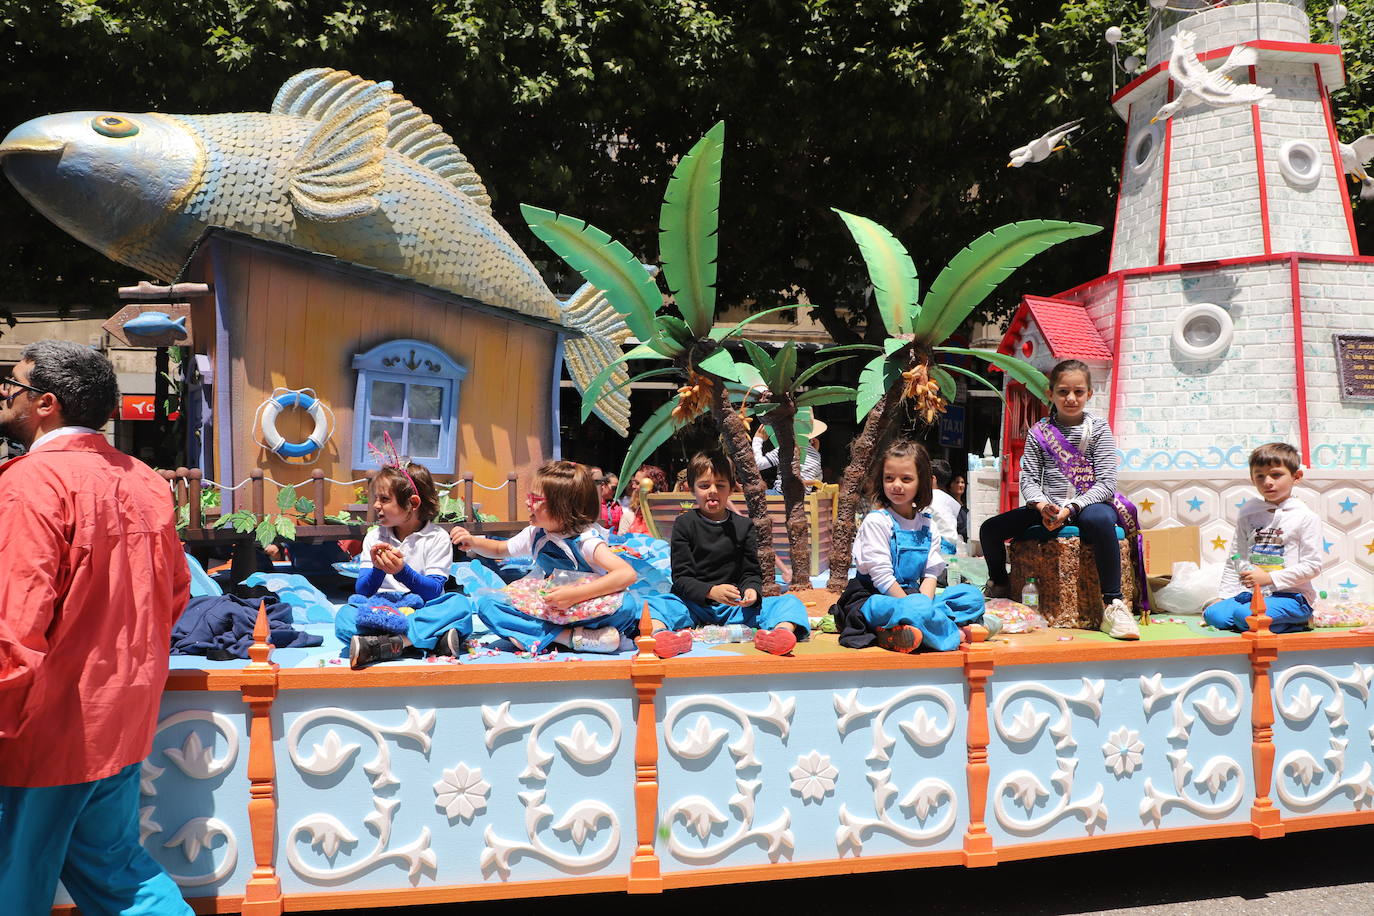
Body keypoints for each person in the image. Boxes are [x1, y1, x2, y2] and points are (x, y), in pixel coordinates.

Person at [0, 341, 193, 914]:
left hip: (43, 727)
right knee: (117, 874)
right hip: (122, 716)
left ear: (46, 404)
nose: (5, 395)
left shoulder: (30, 483)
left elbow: (14, 619)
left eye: (13, 386)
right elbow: (175, 595)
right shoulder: (144, 480)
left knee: (17, 881)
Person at [978, 359, 1141, 641]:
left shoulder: (1099, 430)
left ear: (1090, 394)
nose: (1071, 398)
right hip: (1049, 505)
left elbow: (1106, 483)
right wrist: (1042, 506)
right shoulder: (1039, 432)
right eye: (1063, 391)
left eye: (1078, 392)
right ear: (1051, 393)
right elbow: (1028, 477)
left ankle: (1112, 603)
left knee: (1101, 521)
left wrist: (1072, 507)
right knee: (989, 530)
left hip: (1088, 504)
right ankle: (1001, 584)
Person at [453, 461, 639, 653]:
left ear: (562, 507)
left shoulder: (586, 541)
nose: (527, 503)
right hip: (549, 607)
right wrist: (474, 542)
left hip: (585, 608)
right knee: (488, 605)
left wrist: (575, 595)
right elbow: (500, 549)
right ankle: (569, 638)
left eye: (535, 499)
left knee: (627, 606)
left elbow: (626, 574)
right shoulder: (535, 533)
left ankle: (541, 635)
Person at [645, 451, 809, 658]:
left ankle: (780, 634)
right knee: (655, 605)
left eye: (720, 485)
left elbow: (751, 572)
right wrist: (710, 591)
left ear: (731, 489)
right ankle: (661, 636)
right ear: (691, 488)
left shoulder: (744, 526)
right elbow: (681, 577)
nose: (712, 491)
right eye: (704, 486)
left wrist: (751, 590)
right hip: (693, 605)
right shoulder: (684, 524)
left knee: (789, 602)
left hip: (736, 607)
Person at [834, 439, 986, 653]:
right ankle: (954, 634)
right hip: (874, 599)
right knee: (917, 607)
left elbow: (931, 575)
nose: (896, 485)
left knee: (972, 597)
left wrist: (923, 606)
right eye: (889, 478)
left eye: (906, 479)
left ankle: (908, 629)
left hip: (913, 597)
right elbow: (882, 578)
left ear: (922, 482)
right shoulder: (877, 521)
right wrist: (919, 607)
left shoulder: (928, 525)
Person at [337, 462, 467, 668]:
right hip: (382, 608)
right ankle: (425, 640)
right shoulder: (374, 536)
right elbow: (363, 590)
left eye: (385, 499)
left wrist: (401, 572)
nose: (376, 505)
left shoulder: (437, 537)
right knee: (345, 616)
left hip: (421, 607)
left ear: (413, 503)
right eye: (376, 498)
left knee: (459, 605)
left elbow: (433, 591)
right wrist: (379, 570)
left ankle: (386, 644)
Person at [1203, 443, 1322, 634]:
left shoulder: (1305, 517)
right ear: (1252, 479)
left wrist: (1269, 578)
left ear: (1296, 476)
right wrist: (1225, 596)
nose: (1267, 481)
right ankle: (1254, 622)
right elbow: (1236, 557)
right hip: (1253, 595)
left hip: (1291, 596)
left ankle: (1302, 619)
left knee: (1245, 616)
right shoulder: (1249, 514)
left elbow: (1312, 566)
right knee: (1213, 614)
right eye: (1260, 475)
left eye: (1276, 475)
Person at [752, 418, 825, 488]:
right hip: (805, 495)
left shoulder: (786, 449)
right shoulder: (816, 454)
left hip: (782, 494)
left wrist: (758, 439)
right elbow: (818, 478)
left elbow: (758, 464)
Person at [617, 464, 668, 536]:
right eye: (633, 482)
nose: (633, 486)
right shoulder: (632, 515)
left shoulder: (665, 515)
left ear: (651, 486)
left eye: (637, 483)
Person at [929, 458, 963, 556]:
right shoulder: (952, 501)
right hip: (951, 547)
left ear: (932, 479)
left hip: (936, 547)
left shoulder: (928, 498)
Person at [592, 466, 623, 532]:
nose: (615, 492)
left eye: (617, 489)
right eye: (614, 488)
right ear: (603, 485)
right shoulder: (594, 503)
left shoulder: (617, 505)